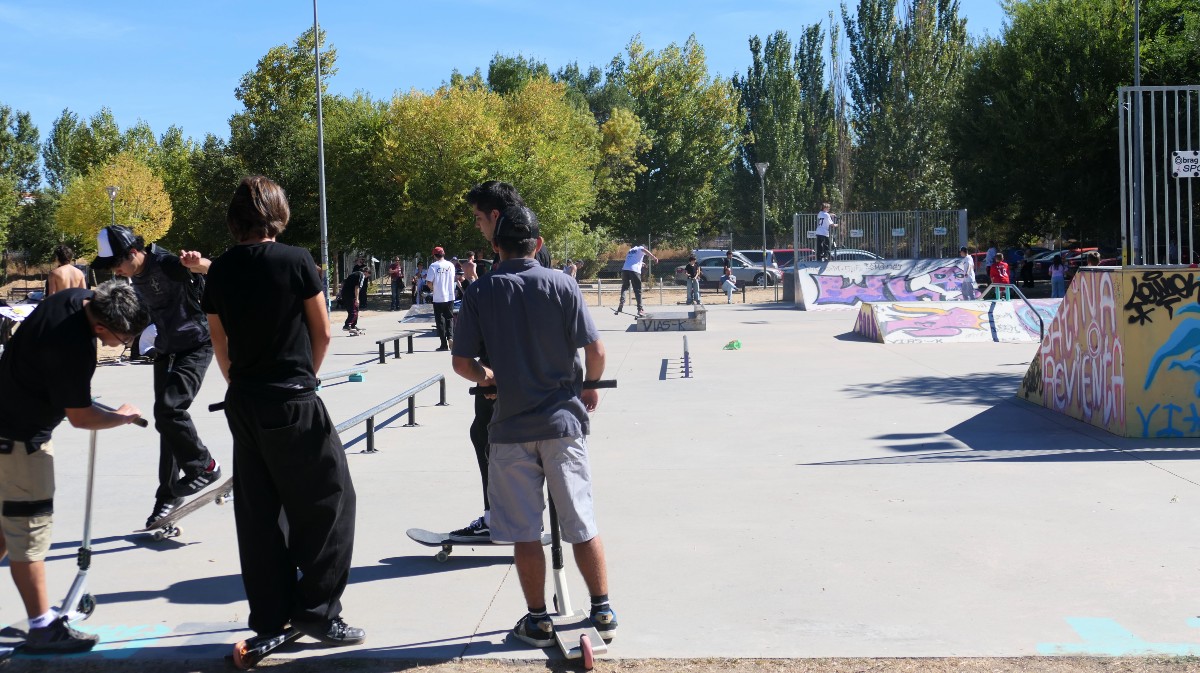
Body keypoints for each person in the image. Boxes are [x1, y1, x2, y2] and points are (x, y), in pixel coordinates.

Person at [201, 175, 364, 647]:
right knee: (331, 501)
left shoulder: (221, 270)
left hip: (244, 402)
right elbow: (324, 332)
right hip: (292, 399)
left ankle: (270, 616)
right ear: (277, 212)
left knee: (260, 514)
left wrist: (240, 384)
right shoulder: (295, 261)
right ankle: (316, 609)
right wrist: (304, 379)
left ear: (236, 221)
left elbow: (219, 340)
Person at [451, 198, 617, 649]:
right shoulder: (563, 285)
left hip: (510, 430)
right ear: (538, 244)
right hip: (563, 423)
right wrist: (590, 388)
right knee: (580, 519)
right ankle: (602, 608)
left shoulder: (481, 291)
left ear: (495, 244)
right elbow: (596, 352)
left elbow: (462, 363)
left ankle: (538, 620)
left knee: (525, 531)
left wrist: (490, 378)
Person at [0, 280, 148, 653]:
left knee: (4, 528)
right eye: (123, 337)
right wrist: (122, 417)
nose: (123, 344)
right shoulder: (73, 346)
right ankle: (42, 627)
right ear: (100, 326)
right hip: (19, 441)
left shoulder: (72, 300)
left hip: (7, 426)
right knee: (28, 530)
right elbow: (81, 417)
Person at [91, 225, 222, 528]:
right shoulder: (133, 276)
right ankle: (168, 495)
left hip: (196, 345)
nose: (117, 270)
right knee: (166, 423)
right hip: (166, 349)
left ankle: (205, 466)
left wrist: (197, 262)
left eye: (118, 263)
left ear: (133, 252)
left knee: (169, 410)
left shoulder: (165, 263)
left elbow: (209, 269)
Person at [453, 181, 552, 543]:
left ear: (496, 216)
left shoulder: (518, 257)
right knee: (486, 435)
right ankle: (507, 515)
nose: (478, 225)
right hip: (508, 372)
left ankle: (503, 517)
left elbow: (521, 320)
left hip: (501, 375)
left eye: (480, 218)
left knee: (491, 437)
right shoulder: (528, 249)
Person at [426, 246, 457, 351]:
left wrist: (433, 289)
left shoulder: (433, 266)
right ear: (443, 254)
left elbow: (429, 282)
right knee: (449, 318)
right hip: (450, 295)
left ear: (435, 255)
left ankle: (443, 344)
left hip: (438, 297)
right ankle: (451, 337)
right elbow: (452, 279)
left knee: (440, 321)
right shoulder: (451, 265)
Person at [617, 243, 658, 317]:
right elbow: (644, 250)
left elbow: (632, 260)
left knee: (625, 287)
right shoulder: (641, 248)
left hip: (625, 270)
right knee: (637, 290)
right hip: (634, 271)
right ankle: (640, 309)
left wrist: (642, 263)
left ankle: (622, 301)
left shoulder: (631, 250)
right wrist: (654, 257)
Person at [340, 266, 369, 333]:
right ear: (366, 272)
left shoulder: (355, 274)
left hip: (346, 294)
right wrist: (357, 299)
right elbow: (357, 287)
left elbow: (344, 282)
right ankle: (347, 325)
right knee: (354, 311)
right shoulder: (361, 275)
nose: (367, 277)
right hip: (350, 295)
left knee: (355, 309)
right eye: (368, 274)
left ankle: (352, 325)